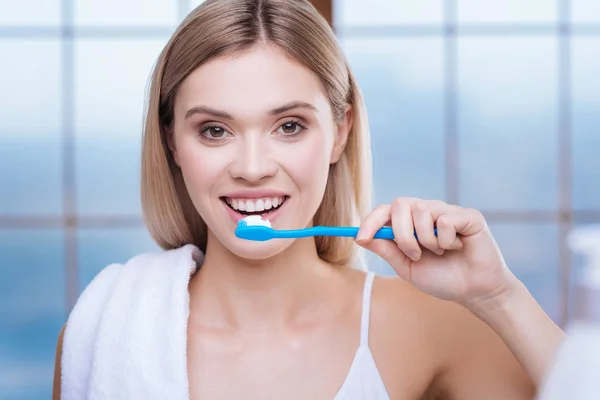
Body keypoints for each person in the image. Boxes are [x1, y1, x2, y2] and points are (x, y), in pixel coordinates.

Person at [52, 0, 566, 398]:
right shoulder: (102, 333)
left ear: (340, 133)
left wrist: (498, 297)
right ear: (172, 142)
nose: (252, 167)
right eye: (214, 130)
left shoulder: (428, 325)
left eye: (289, 126)